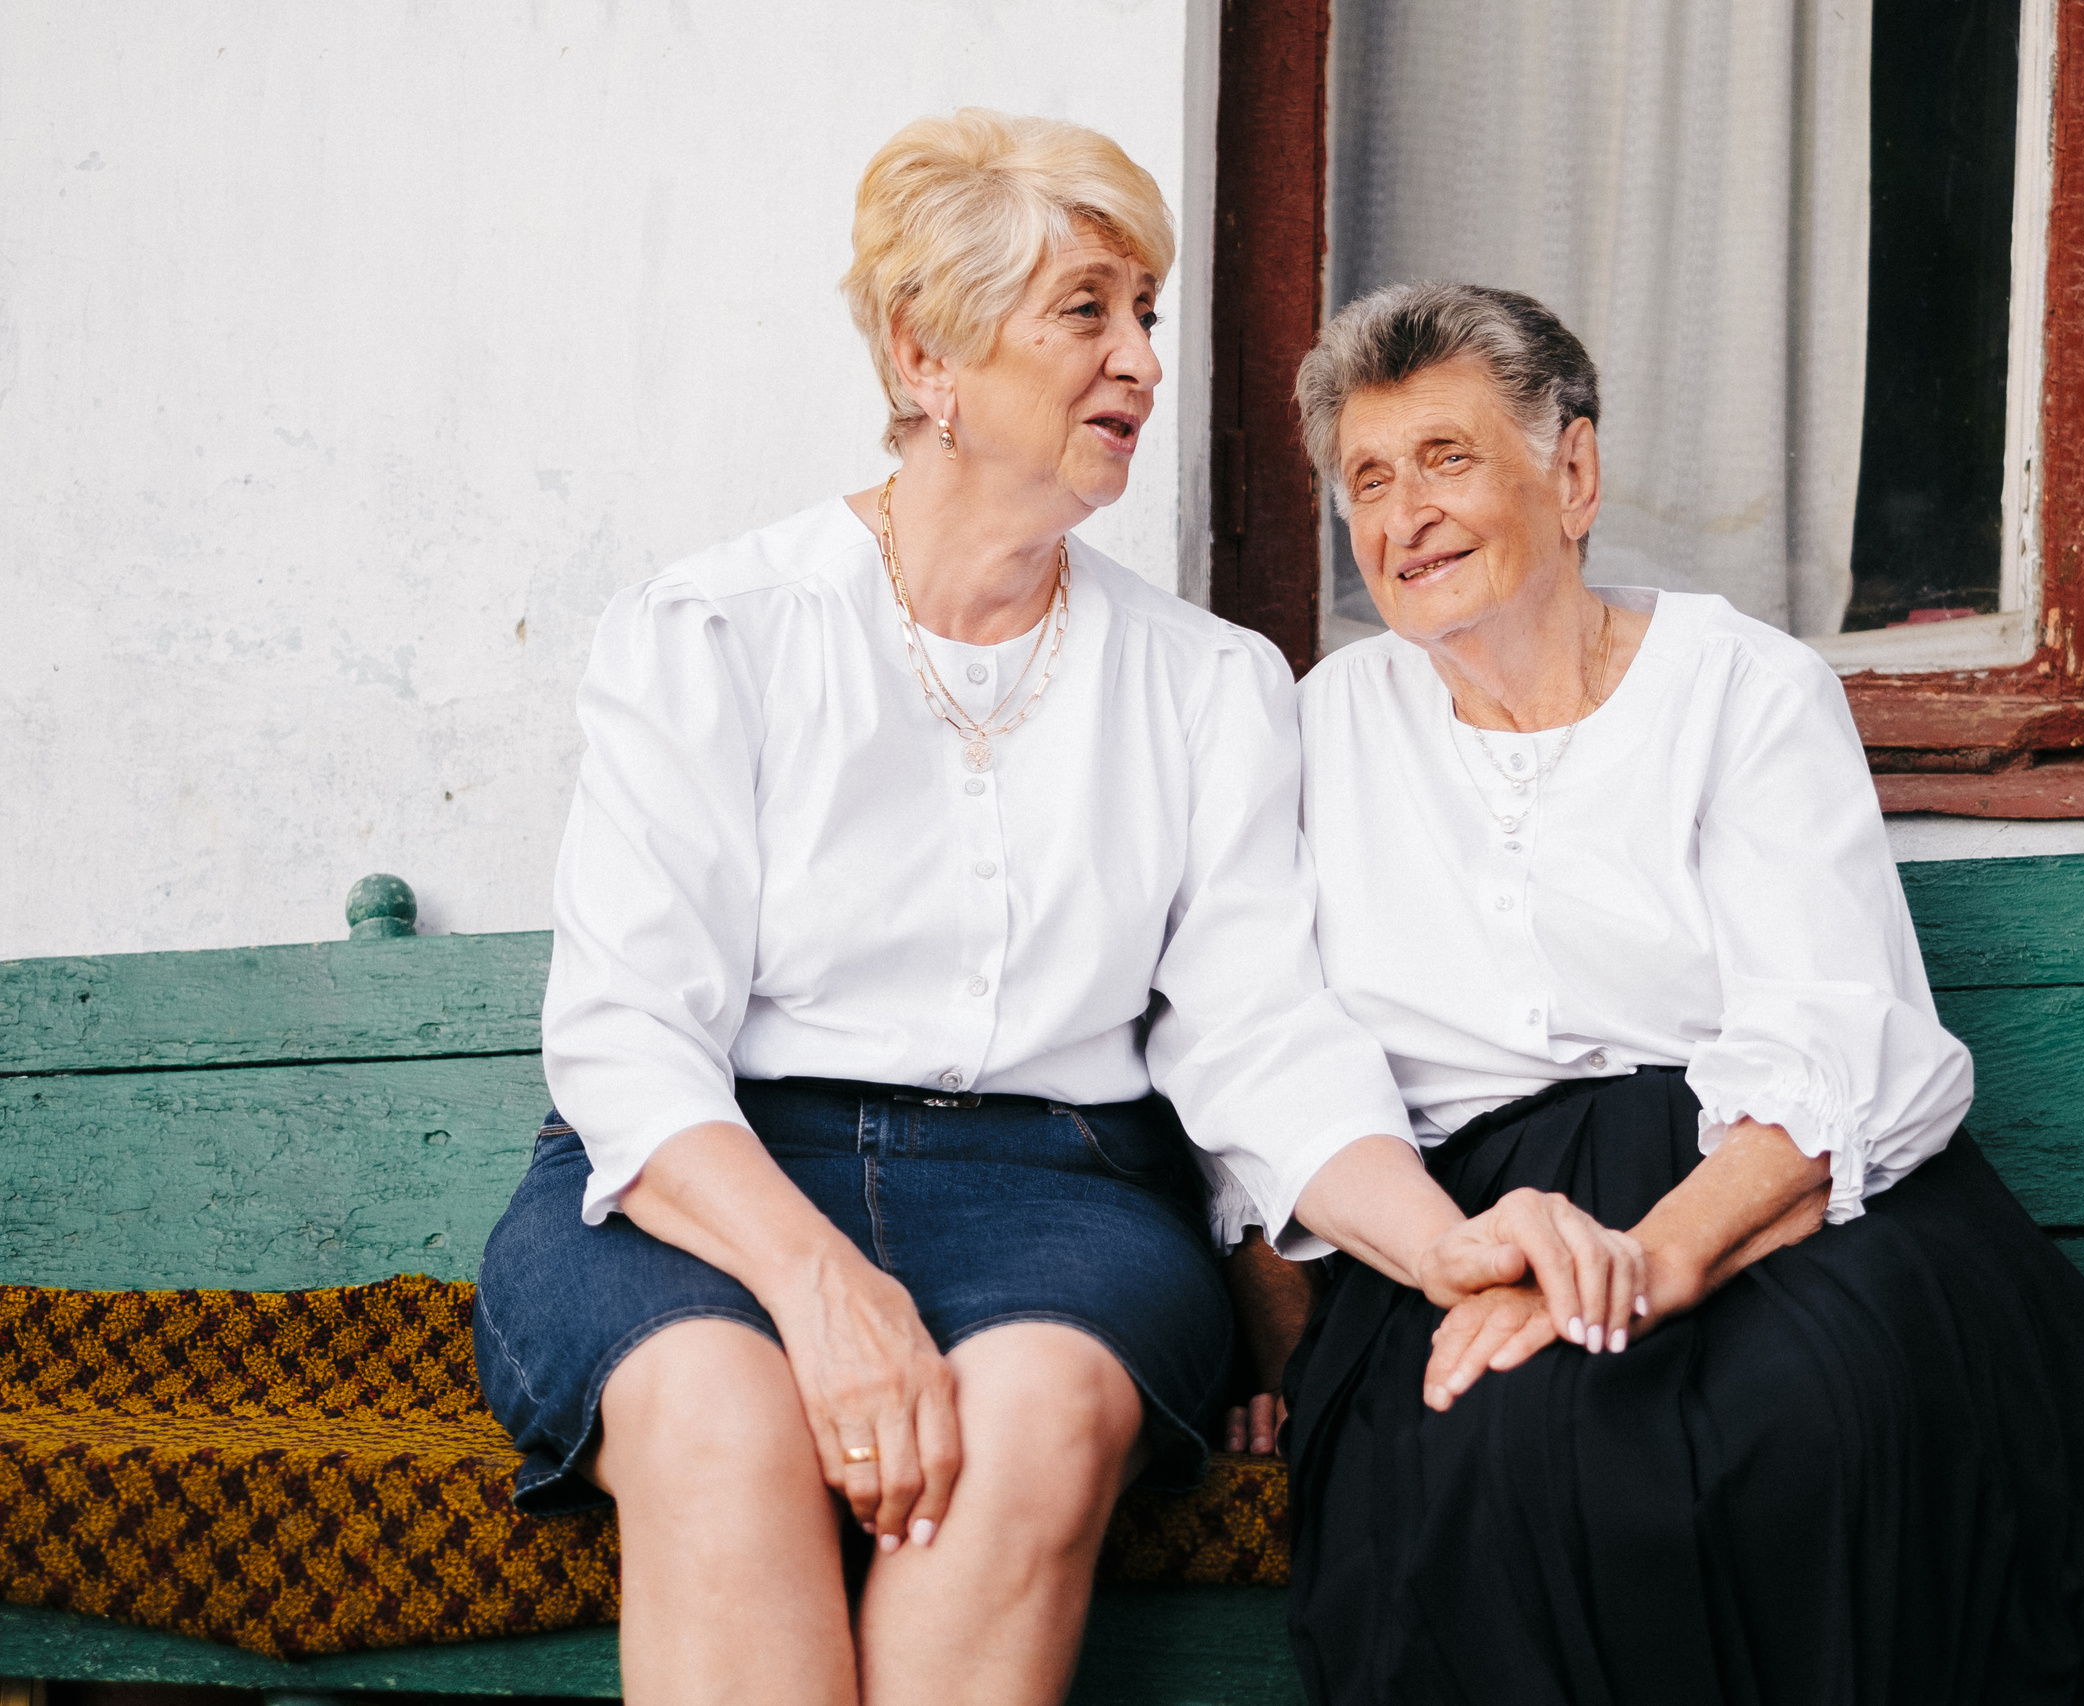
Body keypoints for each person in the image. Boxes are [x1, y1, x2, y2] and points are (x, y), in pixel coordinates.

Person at [471, 123, 1642, 1706]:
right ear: (925, 352)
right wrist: (826, 1287)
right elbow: (623, 1043)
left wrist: (1441, 1242)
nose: (1142, 361)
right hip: (713, 1184)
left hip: (1061, 1190)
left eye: (1146, 313)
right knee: (718, 1423)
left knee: (1015, 1440)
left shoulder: (1209, 685)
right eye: (1086, 310)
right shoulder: (714, 632)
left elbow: (1259, 1037)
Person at [1277, 281, 2084, 1704]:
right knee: (1498, 1453)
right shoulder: (1325, 724)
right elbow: (1265, 1043)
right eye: (1368, 476)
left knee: (1821, 1422)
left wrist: (1646, 1265)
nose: (1405, 511)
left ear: (1574, 471)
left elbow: (1824, 1029)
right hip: (1464, 1220)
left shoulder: (1747, 689)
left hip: (1765, 1182)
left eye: (1448, 458)